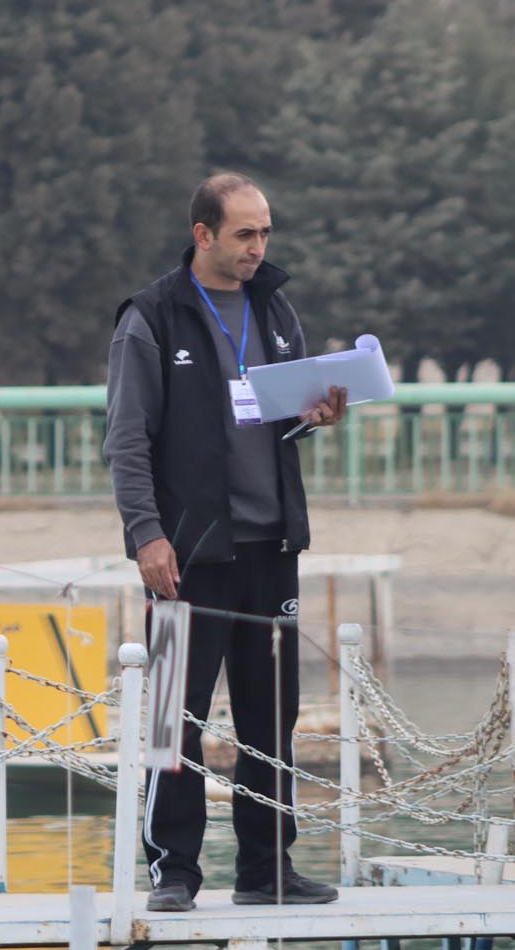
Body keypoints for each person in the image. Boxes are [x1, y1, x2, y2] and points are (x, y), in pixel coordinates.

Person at [103, 173, 347, 912]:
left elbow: (277, 420)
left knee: (271, 714)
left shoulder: (275, 306)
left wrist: (313, 418)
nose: (258, 247)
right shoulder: (151, 317)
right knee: (172, 717)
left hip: (271, 548)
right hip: (186, 556)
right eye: (245, 234)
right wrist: (146, 536)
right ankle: (173, 869)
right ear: (203, 234)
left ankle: (266, 868)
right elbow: (126, 440)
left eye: (265, 232)